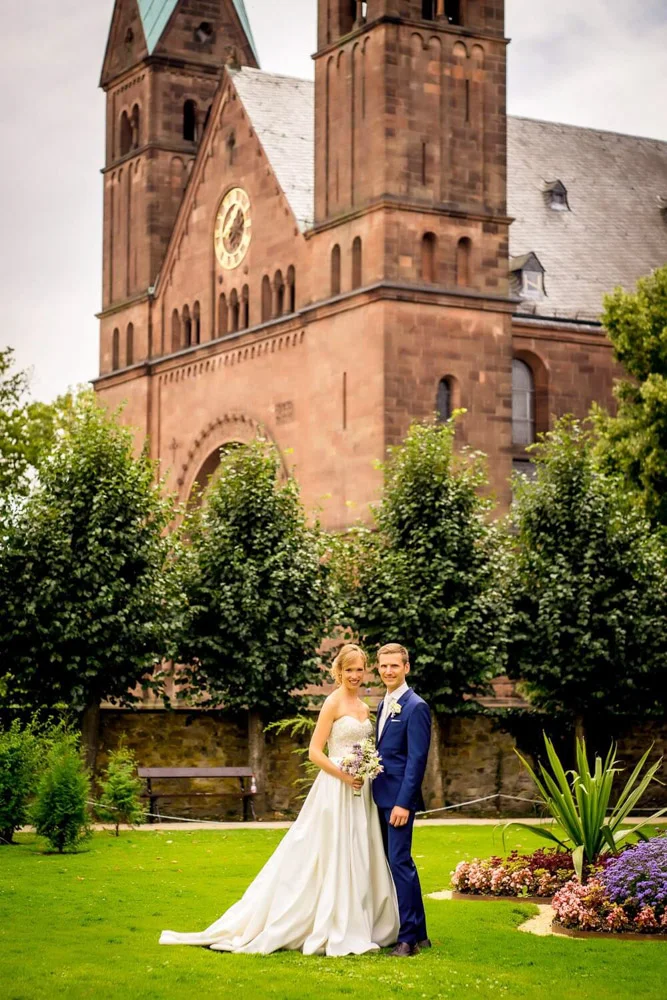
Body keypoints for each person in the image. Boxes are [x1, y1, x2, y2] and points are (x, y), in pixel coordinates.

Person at [159, 643, 399, 955]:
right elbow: (315, 752)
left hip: (360, 790)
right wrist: (343, 775)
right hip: (336, 788)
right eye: (349, 669)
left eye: (359, 670)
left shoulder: (365, 708)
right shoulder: (332, 703)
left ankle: (362, 919)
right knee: (329, 848)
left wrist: (366, 768)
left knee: (360, 848)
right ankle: (325, 918)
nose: (355, 675)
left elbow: (366, 748)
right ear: (339, 671)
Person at [372, 643, 432, 957]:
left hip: (398, 802)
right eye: (383, 666)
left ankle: (407, 940)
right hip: (379, 797)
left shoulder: (416, 706)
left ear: (406, 668)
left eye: (394, 665)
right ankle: (421, 934)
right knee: (398, 863)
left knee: (399, 863)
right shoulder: (384, 704)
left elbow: (416, 760)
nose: (388, 671)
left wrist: (404, 803)